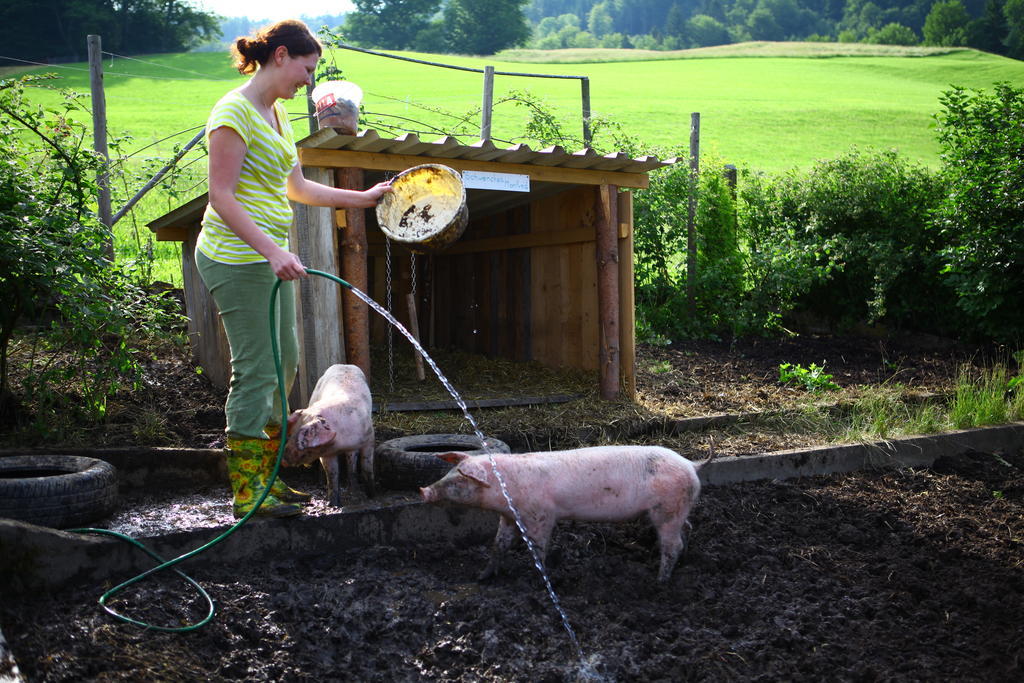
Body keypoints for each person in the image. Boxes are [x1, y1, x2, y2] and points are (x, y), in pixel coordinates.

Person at [197, 19, 391, 518]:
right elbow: (221, 197)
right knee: (257, 372)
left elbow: (297, 188)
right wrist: (272, 250)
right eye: (306, 69)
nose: (309, 82)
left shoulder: (277, 114)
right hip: (236, 259)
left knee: (284, 362)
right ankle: (247, 491)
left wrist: (362, 198)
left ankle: (268, 476)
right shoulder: (232, 114)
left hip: (267, 258)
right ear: (280, 55)